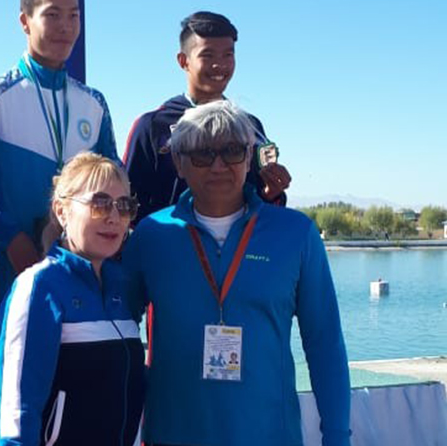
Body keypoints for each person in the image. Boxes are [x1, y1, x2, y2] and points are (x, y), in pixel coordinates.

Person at [123, 100, 351, 446]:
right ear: (179, 163)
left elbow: (325, 344)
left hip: (270, 437)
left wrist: (337, 436)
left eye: (232, 151)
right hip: (172, 435)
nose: (218, 165)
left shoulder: (296, 234)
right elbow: (114, 333)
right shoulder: (151, 235)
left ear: (248, 160)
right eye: (202, 154)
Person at [0, 0, 119, 444]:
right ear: (24, 20)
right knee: (10, 403)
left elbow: (113, 182)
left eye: (74, 15)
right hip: (16, 272)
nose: (66, 26)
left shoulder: (93, 104)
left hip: (82, 276)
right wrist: (11, 239)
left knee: (79, 399)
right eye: (52, 15)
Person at [0, 152, 145, 446]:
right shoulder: (39, 287)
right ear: (62, 211)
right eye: (100, 203)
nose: (114, 217)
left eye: (124, 206)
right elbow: (17, 411)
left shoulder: (123, 289)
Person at [123, 11, 291, 224]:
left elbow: (262, 205)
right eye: (208, 55)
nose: (219, 65)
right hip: (170, 242)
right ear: (183, 61)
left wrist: (271, 194)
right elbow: (126, 202)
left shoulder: (250, 126)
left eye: (228, 55)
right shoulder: (152, 127)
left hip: (238, 244)